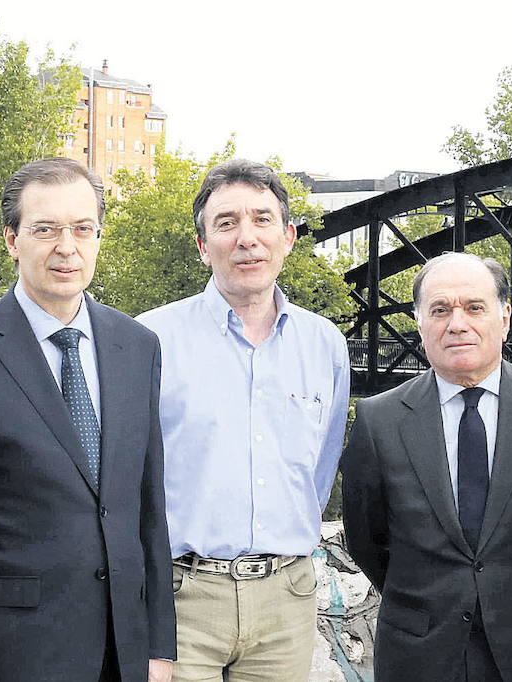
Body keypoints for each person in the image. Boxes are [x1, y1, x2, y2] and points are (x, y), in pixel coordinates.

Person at [0, 157, 175, 682]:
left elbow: (148, 505)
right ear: (12, 240)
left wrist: (159, 646)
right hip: (14, 650)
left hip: (124, 649)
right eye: (46, 230)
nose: (67, 246)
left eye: (83, 229)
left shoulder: (138, 345)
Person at [135, 158, 349, 681]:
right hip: (180, 598)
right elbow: (126, 478)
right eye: (227, 223)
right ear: (204, 246)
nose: (247, 238)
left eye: (262, 219)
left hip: (287, 598)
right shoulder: (148, 340)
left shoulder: (325, 345)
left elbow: (320, 471)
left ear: (289, 235)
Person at [343, 252, 512, 681]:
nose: (457, 323)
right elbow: (367, 538)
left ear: (505, 316)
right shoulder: (378, 418)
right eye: (439, 310)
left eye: (474, 307)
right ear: (419, 322)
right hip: (419, 651)